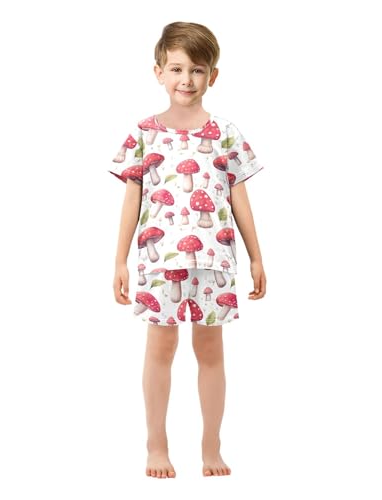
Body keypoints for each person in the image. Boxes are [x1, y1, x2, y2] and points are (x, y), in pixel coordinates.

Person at [109, 21, 267, 478]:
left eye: (197, 70)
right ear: (159, 72)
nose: (187, 79)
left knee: (211, 351)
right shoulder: (143, 134)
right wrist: (120, 260)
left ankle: (211, 447)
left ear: (212, 76)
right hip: (159, 263)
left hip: (215, 260)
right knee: (160, 348)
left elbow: (239, 197)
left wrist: (256, 256)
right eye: (177, 69)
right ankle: (156, 445)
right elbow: (133, 199)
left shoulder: (226, 133)